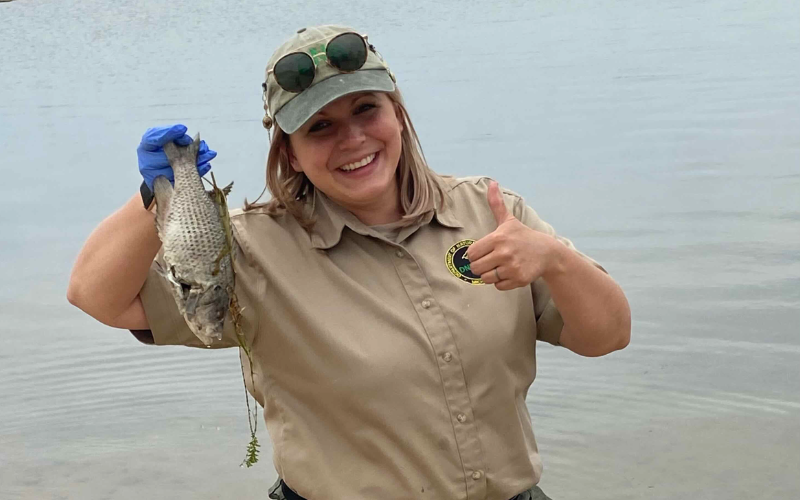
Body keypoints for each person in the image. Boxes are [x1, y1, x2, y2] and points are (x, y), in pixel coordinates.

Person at [67, 25, 630, 500]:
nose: (354, 139)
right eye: (321, 127)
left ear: (399, 114)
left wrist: (555, 260)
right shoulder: (252, 251)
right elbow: (98, 297)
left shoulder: (490, 211)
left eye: (367, 109)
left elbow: (608, 335)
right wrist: (161, 191)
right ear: (289, 150)